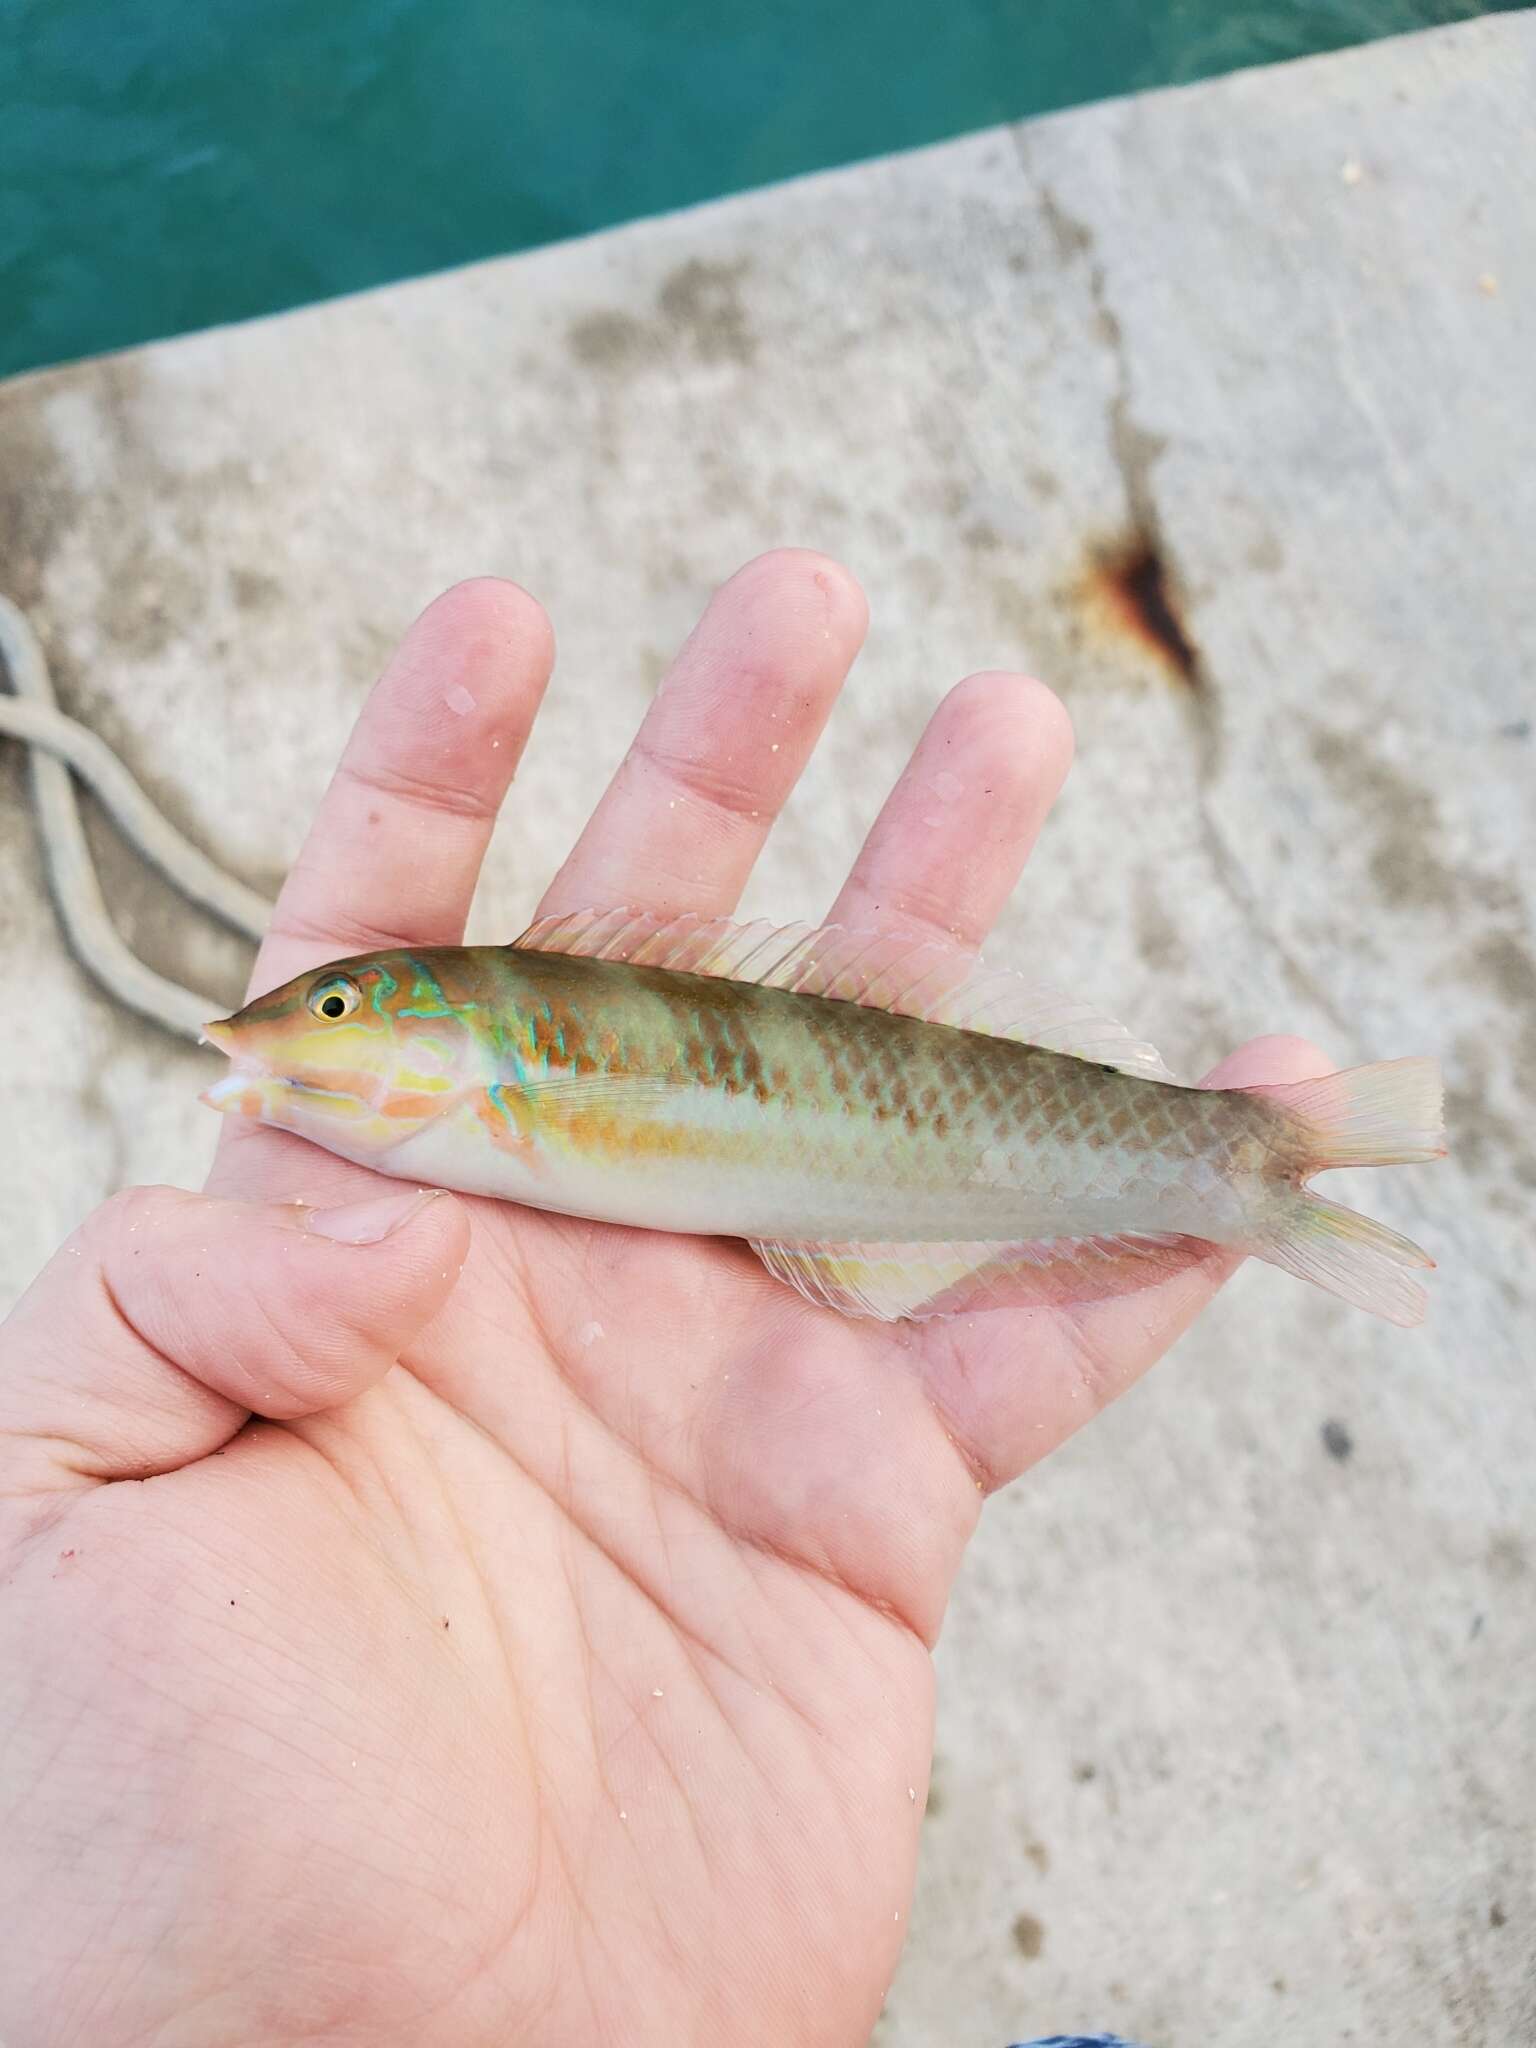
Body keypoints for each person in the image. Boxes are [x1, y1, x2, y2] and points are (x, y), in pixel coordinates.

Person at [0, 554, 1320, 2045]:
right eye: (331, 1004)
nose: (301, 1027)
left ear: (439, 1030)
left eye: (343, 1006)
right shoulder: (446, 1113)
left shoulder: (504, 1078)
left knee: (1187, 1143)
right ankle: (1238, 1168)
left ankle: (1237, 1165)